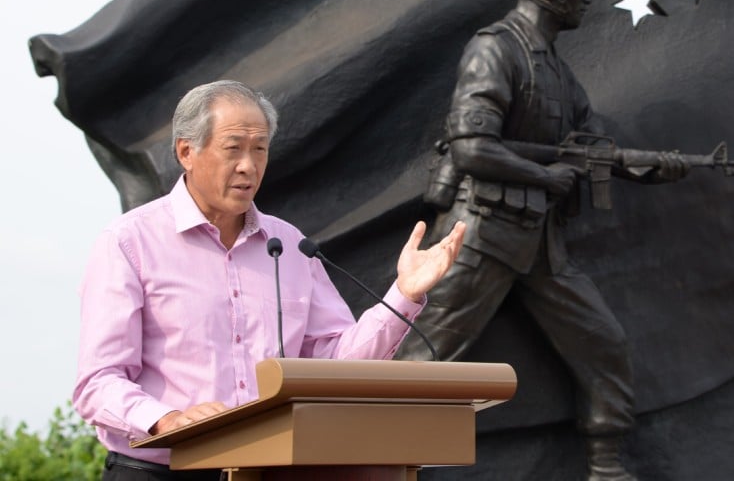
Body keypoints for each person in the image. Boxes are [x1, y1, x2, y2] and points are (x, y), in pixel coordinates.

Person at [73, 80, 465, 480]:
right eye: (234, 149)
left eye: (259, 149)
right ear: (186, 152)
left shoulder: (289, 245)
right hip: (159, 471)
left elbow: (337, 368)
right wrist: (167, 419)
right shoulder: (130, 242)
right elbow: (97, 381)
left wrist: (404, 294)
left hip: (269, 470)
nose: (249, 165)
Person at [395, 0, 645, 481]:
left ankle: (607, 468)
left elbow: (587, 138)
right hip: (479, 231)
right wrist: (546, 175)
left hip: (539, 242)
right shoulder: (496, 49)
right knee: (425, 357)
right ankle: (373, 464)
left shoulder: (555, 68)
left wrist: (641, 163)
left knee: (605, 345)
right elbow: (470, 145)